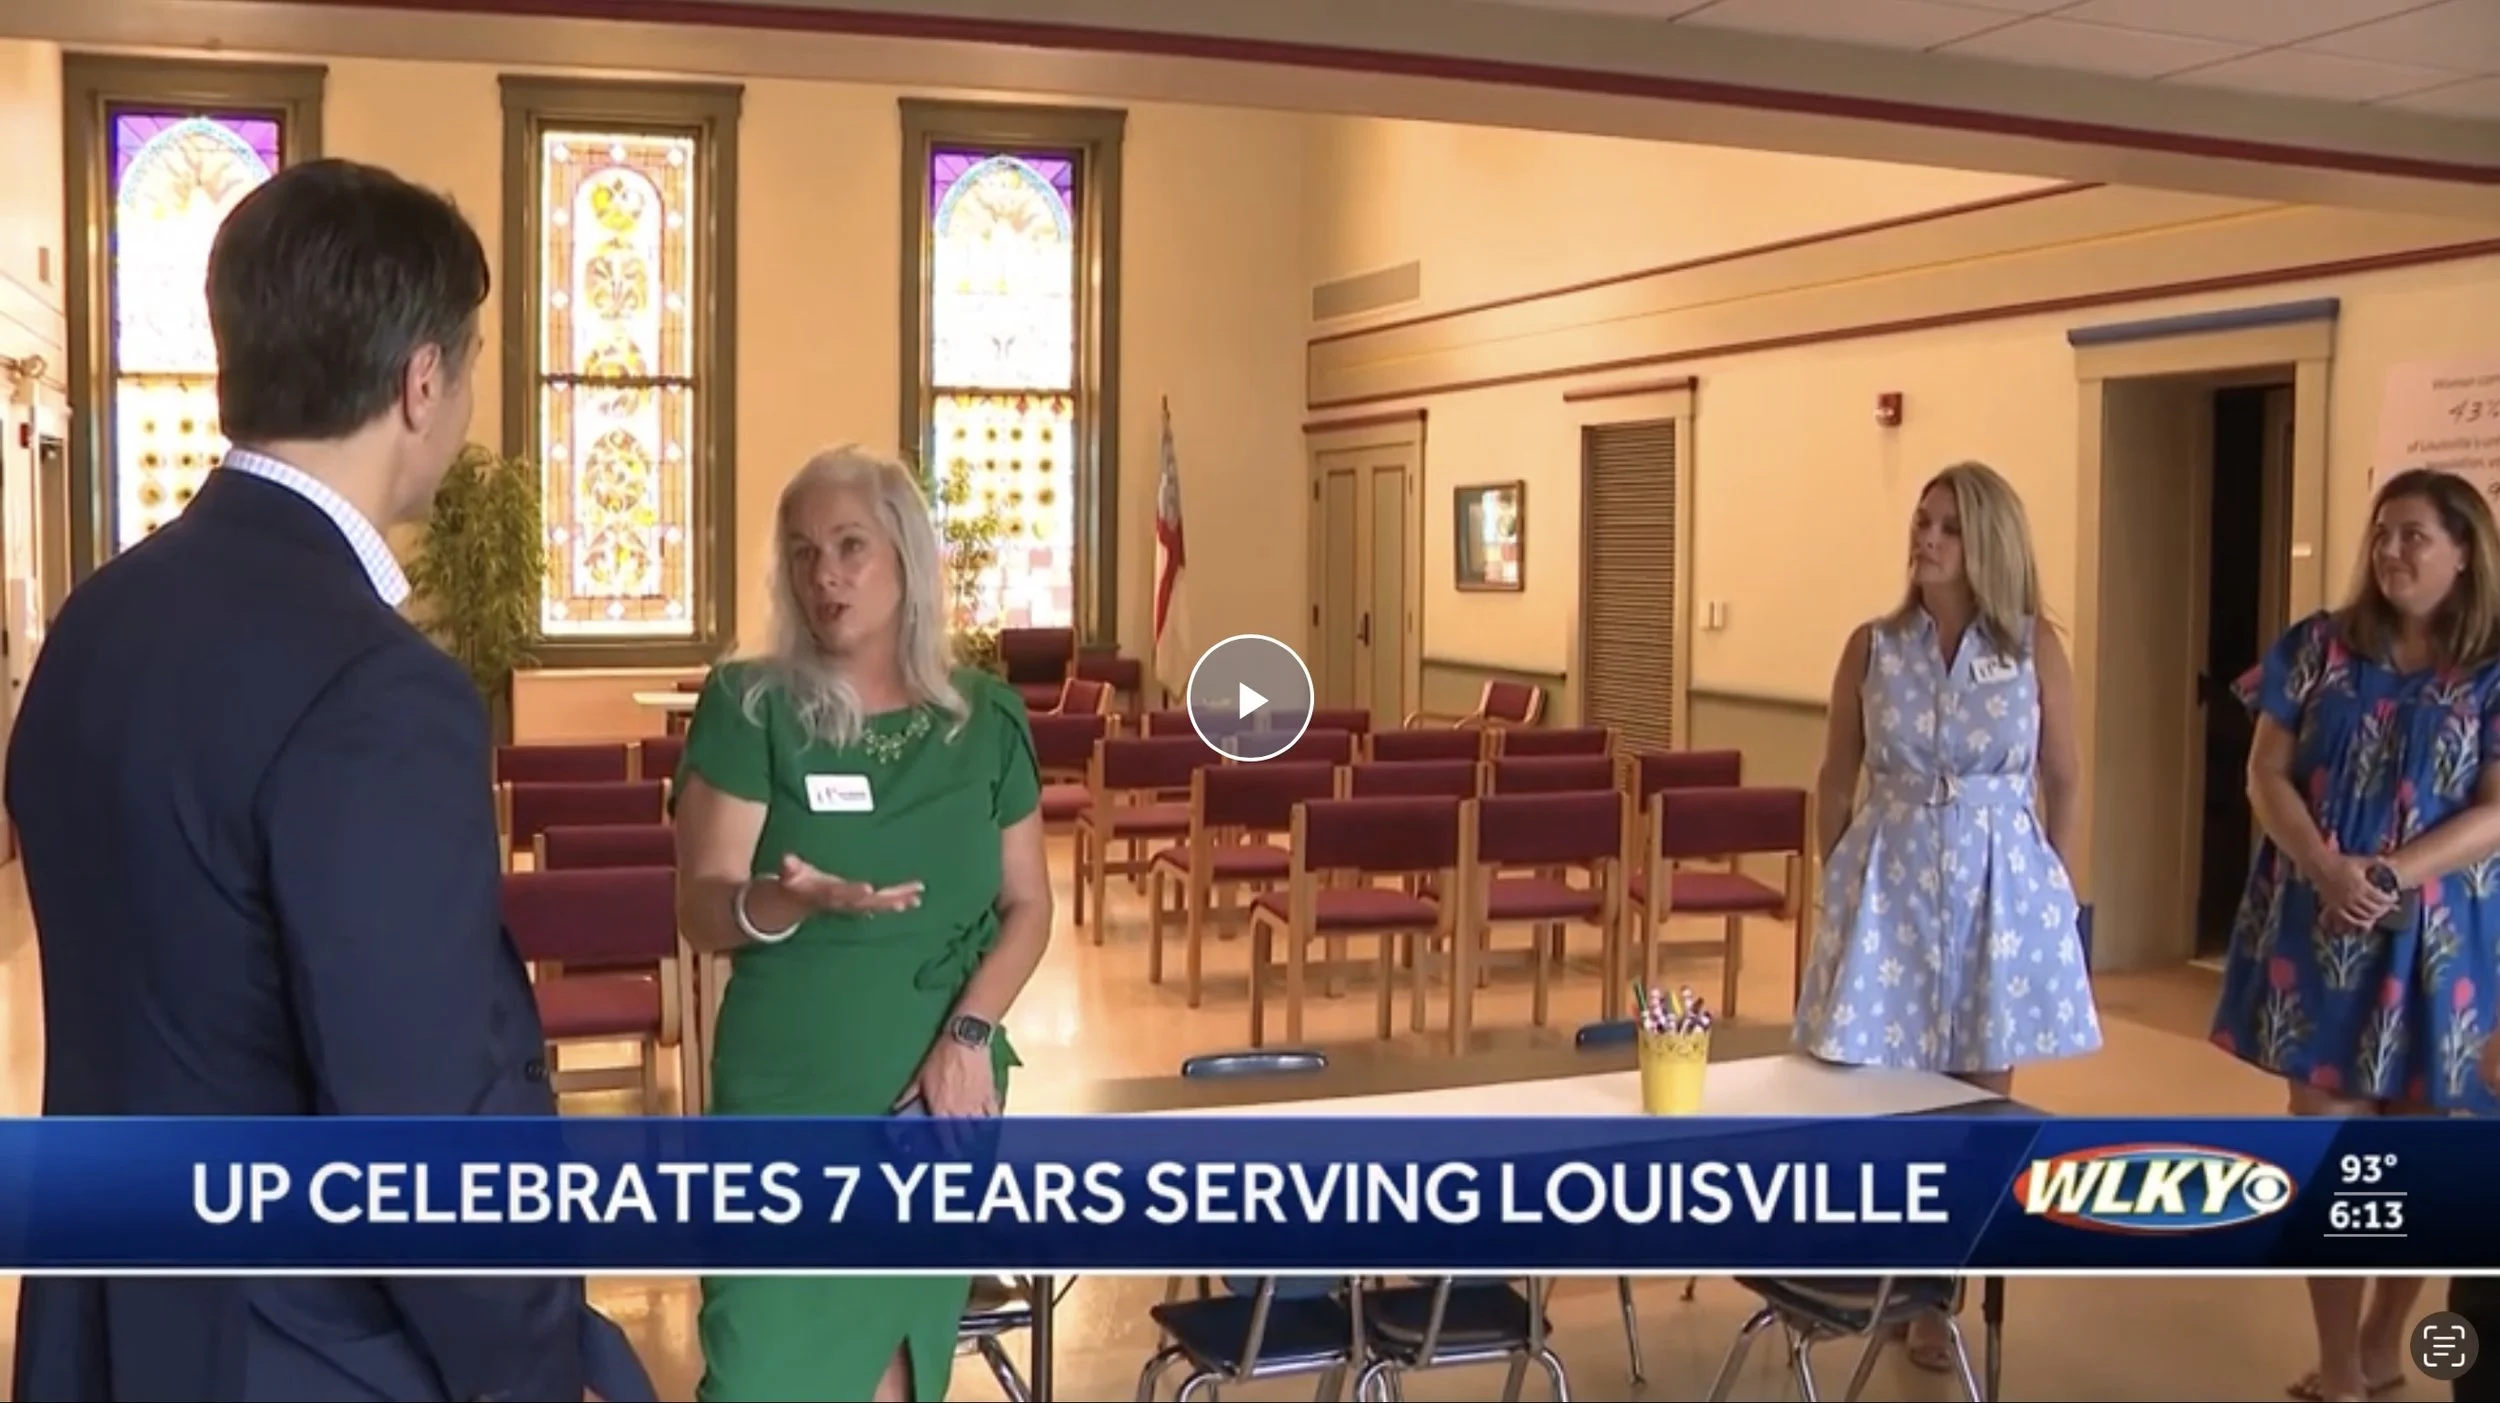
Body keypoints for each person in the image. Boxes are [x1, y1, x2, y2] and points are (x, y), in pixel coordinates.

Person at [4, 159, 651, 1402]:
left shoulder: (96, 625)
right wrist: (532, 1363)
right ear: (423, 380)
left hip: (106, 1313)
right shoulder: (377, 687)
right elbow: (420, 1113)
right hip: (313, 1345)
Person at [672, 445, 1053, 1402]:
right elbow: (700, 903)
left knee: (893, 1360)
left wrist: (971, 1032)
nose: (825, 574)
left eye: (850, 546)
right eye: (802, 553)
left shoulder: (987, 720)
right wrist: (779, 901)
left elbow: (1030, 906)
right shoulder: (752, 705)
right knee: (761, 1364)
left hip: (933, 1095)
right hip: (790, 1088)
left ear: (908, 559)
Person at [1792, 459, 2103, 1371]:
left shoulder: (2034, 646)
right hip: (1886, 881)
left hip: (1997, 887)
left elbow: (2068, 778)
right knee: (1886, 1101)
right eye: (1922, 521)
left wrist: (2061, 896)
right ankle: (1881, 1274)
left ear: (1989, 544)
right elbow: (1834, 774)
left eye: (1948, 527)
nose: (1925, 539)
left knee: (1975, 1105)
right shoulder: (1872, 644)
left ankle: (1939, 1293)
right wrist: (1839, 875)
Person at [2210, 467, 2500, 1403]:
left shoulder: (2493, 664)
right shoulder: (2317, 646)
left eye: (2414, 535)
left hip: (2445, 937)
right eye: (2383, 533)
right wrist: (2330, 869)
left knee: (2422, 1152)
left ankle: (2385, 1337)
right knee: (2332, 1152)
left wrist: (2389, 874)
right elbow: (2267, 771)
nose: (2391, 552)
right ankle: (2338, 1361)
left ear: (2465, 552)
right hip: (2320, 921)